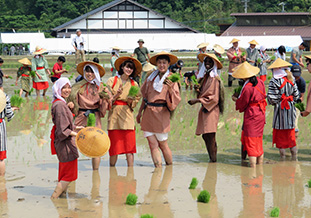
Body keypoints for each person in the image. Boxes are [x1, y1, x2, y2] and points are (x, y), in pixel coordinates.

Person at [136, 51, 181, 168]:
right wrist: (139, 112)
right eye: (159, 63)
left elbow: (175, 99)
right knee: (152, 144)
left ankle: (169, 168)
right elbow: (144, 97)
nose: (161, 65)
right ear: (156, 64)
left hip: (161, 113)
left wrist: (171, 89)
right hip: (148, 113)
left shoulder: (171, 79)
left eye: (164, 63)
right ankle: (158, 169)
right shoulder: (150, 77)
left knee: (163, 144)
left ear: (168, 64)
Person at [67, 61, 112, 170]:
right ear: (84, 72)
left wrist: (105, 98)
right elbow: (70, 101)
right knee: (73, 142)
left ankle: (95, 172)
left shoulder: (101, 87)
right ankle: (71, 169)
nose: (89, 74)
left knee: (96, 144)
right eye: (87, 71)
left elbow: (108, 103)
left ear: (96, 73)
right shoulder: (77, 86)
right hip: (81, 116)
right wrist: (71, 105)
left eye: (92, 71)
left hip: (95, 116)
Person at [188, 53, 224, 162]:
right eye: (206, 62)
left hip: (211, 109)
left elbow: (214, 98)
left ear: (214, 64)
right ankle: (212, 159)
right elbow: (205, 94)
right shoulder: (205, 78)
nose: (207, 64)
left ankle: (213, 161)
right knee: (206, 136)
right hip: (205, 109)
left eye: (210, 62)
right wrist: (198, 91)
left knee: (211, 136)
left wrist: (197, 100)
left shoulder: (215, 80)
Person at [107, 57, 142, 167]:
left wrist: (131, 102)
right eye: (127, 67)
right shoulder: (112, 81)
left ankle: (130, 171)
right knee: (114, 148)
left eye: (131, 68)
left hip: (127, 114)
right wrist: (116, 95)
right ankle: (112, 169)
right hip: (114, 115)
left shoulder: (134, 84)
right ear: (122, 67)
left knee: (130, 147)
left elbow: (137, 99)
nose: (128, 70)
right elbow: (107, 100)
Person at [232, 62, 267, 167]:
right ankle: (259, 168)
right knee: (258, 141)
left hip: (252, 114)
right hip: (261, 113)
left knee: (251, 141)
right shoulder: (260, 82)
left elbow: (242, 103)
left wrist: (235, 99)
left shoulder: (247, 88)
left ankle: (252, 170)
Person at [50, 78, 81, 199]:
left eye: (69, 87)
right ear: (58, 89)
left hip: (63, 142)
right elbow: (63, 131)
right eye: (64, 88)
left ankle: (62, 202)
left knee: (64, 173)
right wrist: (77, 134)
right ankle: (54, 198)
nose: (67, 90)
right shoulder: (60, 105)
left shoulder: (60, 102)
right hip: (65, 144)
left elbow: (65, 124)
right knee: (68, 175)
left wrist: (77, 127)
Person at [267, 59, 299, 160]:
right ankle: (294, 159)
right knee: (291, 139)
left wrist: (277, 100)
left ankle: (282, 160)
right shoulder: (291, 79)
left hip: (280, 112)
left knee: (281, 141)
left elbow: (272, 98)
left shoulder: (274, 80)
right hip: (290, 111)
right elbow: (296, 95)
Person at [0, 89, 16, 176]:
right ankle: (1, 181)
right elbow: (9, 114)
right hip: (0, 126)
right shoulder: (4, 96)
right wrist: (12, 109)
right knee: (1, 157)